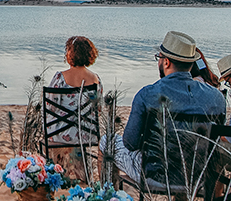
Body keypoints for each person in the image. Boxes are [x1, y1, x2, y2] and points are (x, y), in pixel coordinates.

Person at [100, 31, 226, 182]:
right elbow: (216, 140)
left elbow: (130, 143)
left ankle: (108, 199)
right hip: (197, 177)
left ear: (166, 62)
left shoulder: (147, 94)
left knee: (107, 141)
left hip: (156, 174)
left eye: (159, 58)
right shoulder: (216, 97)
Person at [47, 36, 102, 179]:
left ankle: (57, 172)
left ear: (70, 54)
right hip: (86, 134)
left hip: (60, 132)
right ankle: (82, 173)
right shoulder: (96, 79)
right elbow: (99, 110)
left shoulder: (60, 77)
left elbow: (50, 106)